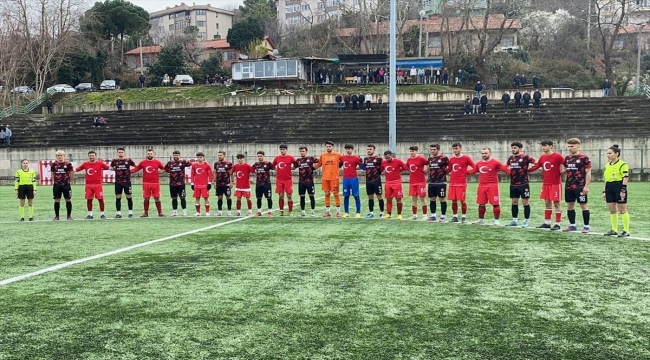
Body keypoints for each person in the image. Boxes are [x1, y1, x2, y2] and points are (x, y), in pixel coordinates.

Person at [529, 140, 566, 230]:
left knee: (556, 203)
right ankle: (547, 222)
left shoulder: (558, 156)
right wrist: (525, 170)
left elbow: (568, 165)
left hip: (555, 184)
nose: (543, 147)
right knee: (547, 203)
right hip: (546, 184)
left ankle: (557, 224)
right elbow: (536, 166)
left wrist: (562, 172)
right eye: (542, 146)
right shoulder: (542, 157)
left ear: (551, 146)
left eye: (545, 145)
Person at [468, 148, 509, 225]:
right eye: (482, 153)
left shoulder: (495, 162)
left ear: (490, 153)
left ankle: (496, 221)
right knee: (481, 203)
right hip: (482, 186)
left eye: (486, 153)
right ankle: (480, 220)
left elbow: (505, 169)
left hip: (493, 186)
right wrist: (463, 172)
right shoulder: (479, 163)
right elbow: (473, 171)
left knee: (495, 204)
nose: (484, 155)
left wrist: (514, 172)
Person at [563, 138, 592, 233]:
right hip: (569, 186)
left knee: (583, 205)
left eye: (572, 146)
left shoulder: (584, 158)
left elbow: (588, 173)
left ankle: (586, 226)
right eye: (569, 146)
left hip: (580, 186)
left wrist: (586, 186)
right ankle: (572, 225)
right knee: (570, 205)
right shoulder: (567, 158)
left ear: (578, 146)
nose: (570, 148)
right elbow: (566, 170)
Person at [504, 142, 536, 228]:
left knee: (525, 202)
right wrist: (507, 171)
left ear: (520, 148)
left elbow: (537, 163)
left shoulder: (525, 157)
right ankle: (514, 220)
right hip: (513, 184)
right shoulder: (511, 158)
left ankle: (526, 221)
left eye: (515, 148)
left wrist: (530, 170)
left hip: (523, 184)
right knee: (514, 202)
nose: (513, 149)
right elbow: (505, 166)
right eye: (512, 148)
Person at [603, 145, 630, 237]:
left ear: (617, 154)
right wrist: (604, 191)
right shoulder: (607, 165)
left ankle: (626, 230)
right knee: (612, 209)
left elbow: (625, 177)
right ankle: (614, 229)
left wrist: (623, 189)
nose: (608, 155)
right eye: (607, 153)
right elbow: (606, 178)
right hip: (609, 187)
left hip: (619, 186)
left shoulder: (623, 164)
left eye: (610, 153)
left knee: (622, 209)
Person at [75, 150, 110, 219]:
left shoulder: (100, 163)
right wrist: (69, 169)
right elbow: (77, 169)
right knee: (89, 199)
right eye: (90, 156)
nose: (91, 157)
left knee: (100, 199)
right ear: (88, 156)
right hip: (88, 185)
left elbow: (108, 168)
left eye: (93, 155)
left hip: (98, 185)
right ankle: (90, 215)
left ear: (95, 156)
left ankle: (102, 214)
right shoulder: (85, 164)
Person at [131, 149, 165, 217]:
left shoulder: (157, 162)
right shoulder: (143, 162)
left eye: (151, 153)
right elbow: (136, 169)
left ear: (153, 154)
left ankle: (160, 212)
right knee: (146, 198)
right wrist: (127, 171)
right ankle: (145, 213)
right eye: (148, 154)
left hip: (155, 183)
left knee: (157, 198)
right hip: (146, 183)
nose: (149, 155)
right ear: (146, 154)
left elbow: (164, 168)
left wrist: (159, 172)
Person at [448, 143, 475, 223]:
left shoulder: (466, 158)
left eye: (456, 148)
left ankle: (463, 217)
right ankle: (455, 216)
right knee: (454, 200)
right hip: (453, 183)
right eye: (453, 149)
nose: (455, 150)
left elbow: (475, 167)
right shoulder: (451, 159)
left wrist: (467, 172)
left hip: (462, 183)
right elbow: (449, 169)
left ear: (460, 149)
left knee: (462, 200)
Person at [315, 141, 343, 217]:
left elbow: (344, 160)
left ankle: (338, 212)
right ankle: (327, 212)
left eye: (329, 146)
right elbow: (319, 164)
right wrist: (312, 168)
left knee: (336, 194)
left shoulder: (337, 155)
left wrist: (340, 165)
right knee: (326, 194)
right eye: (327, 146)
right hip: (325, 178)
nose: (328, 148)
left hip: (334, 178)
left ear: (332, 147)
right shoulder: (322, 155)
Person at [164, 150, 192, 216]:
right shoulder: (169, 163)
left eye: (177, 155)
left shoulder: (183, 162)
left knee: (182, 197)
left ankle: (184, 211)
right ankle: (174, 212)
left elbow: (192, 164)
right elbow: (165, 169)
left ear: (179, 155)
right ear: (173, 156)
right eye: (174, 155)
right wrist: (156, 172)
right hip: (172, 184)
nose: (176, 156)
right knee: (174, 198)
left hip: (181, 183)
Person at [110, 147, 136, 218]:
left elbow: (136, 166)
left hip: (127, 182)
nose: (120, 153)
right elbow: (110, 168)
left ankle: (130, 213)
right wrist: (114, 169)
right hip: (118, 182)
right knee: (118, 197)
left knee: (129, 196)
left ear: (124, 153)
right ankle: (119, 213)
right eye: (119, 152)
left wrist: (131, 171)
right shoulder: (114, 161)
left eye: (122, 152)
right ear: (117, 153)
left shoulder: (128, 160)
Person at [272, 144, 297, 216]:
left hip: (288, 180)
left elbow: (296, 164)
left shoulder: (290, 158)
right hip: (279, 180)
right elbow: (273, 166)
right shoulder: (277, 158)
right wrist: (276, 169)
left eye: (284, 149)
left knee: (289, 196)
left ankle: (290, 211)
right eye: (281, 149)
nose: (282, 151)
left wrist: (292, 168)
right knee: (281, 196)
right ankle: (281, 211)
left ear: (286, 150)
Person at [381, 151, 407, 220]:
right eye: (386, 158)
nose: (387, 159)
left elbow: (405, 167)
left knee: (398, 198)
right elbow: (381, 169)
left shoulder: (398, 161)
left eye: (388, 157)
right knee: (388, 199)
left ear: (391, 155)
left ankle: (399, 214)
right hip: (388, 182)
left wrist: (399, 171)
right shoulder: (383, 162)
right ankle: (388, 214)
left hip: (397, 182)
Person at [427, 144, 449, 222]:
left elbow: (450, 167)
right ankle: (433, 215)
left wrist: (444, 173)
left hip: (441, 182)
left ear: (438, 149)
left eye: (434, 149)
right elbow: (428, 168)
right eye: (431, 149)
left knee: (442, 198)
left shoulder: (444, 158)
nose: (432, 151)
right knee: (432, 198)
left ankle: (443, 216)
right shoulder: (429, 159)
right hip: (431, 182)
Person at [340, 144, 363, 218]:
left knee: (356, 196)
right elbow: (339, 165)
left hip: (354, 179)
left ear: (352, 149)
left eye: (349, 149)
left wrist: (361, 163)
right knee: (346, 196)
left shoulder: (356, 158)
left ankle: (358, 212)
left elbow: (362, 166)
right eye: (346, 149)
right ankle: (346, 212)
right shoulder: (342, 157)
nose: (348, 150)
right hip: (345, 179)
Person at [406, 145, 429, 220]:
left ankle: (425, 215)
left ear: (416, 151)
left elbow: (429, 163)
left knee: (422, 198)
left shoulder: (421, 158)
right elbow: (407, 167)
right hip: (412, 182)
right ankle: (414, 214)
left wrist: (427, 170)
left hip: (421, 182)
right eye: (410, 151)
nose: (411, 152)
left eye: (413, 151)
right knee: (414, 198)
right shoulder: (409, 159)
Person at [51, 150, 74, 220]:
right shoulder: (54, 164)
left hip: (66, 184)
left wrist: (70, 180)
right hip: (57, 185)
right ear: (56, 156)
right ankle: (57, 216)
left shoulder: (68, 164)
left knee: (68, 199)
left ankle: (69, 215)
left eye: (61, 155)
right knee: (57, 200)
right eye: (58, 155)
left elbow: (71, 172)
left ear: (64, 156)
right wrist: (54, 181)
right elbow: (52, 173)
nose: (60, 157)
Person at [363, 144, 384, 218]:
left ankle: (381, 212)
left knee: (379, 196)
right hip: (368, 180)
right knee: (370, 197)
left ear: (374, 150)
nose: (368, 151)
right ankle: (371, 212)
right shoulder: (365, 159)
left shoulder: (378, 158)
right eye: (368, 149)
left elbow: (382, 168)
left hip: (376, 180)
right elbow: (365, 167)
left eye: (370, 149)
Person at [296, 147, 318, 216]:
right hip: (301, 182)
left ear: (306, 151)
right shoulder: (298, 160)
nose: (302, 152)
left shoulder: (311, 158)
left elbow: (320, 161)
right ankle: (302, 211)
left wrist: (315, 167)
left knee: (311, 196)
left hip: (309, 181)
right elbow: (294, 167)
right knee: (302, 196)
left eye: (303, 151)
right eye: (301, 151)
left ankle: (312, 211)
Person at [191, 152, 213, 216]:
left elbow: (210, 175)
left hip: (204, 185)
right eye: (198, 157)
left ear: (203, 158)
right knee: (197, 198)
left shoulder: (207, 165)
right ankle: (198, 212)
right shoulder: (194, 165)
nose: (199, 158)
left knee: (206, 198)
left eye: (200, 157)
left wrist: (209, 183)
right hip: (196, 185)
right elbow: (192, 175)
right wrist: (192, 183)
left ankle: (207, 212)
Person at [253, 151, 274, 216]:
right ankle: (259, 212)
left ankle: (270, 211)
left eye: (260, 156)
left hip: (266, 184)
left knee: (269, 198)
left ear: (263, 156)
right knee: (258, 198)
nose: (259, 157)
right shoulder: (256, 164)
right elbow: (251, 170)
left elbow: (274, 168)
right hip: (258, 184)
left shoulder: (268, 163)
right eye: (258, 156)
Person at [213, 151, 234, 216]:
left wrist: (232, 182)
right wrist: (214, 181)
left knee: (228, 197)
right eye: (218, 155)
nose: (219, 156)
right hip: (219, 183)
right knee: (219, 197)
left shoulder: (229, 163)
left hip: (226, 183)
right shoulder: (216, 163)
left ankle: (229, 211)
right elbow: (215, 172)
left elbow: (231, 173)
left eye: (220, 155)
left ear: (224, 155)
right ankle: (219, 211)